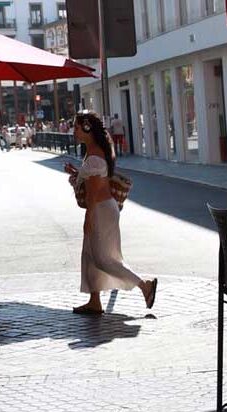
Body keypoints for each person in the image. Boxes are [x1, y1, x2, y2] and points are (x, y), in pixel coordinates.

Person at [63, 111, 157, 315]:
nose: (74, 131)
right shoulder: (93, 152)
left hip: (100, 209)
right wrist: (76, 174)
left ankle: (144, 286)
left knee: (103, 259)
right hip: (102, 207)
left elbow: (95, 192)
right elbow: (91, 181)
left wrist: (88, 218)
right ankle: (94, 300)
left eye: (77, 127)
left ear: (87, 129)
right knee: (88, 255)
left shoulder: (94, 156)